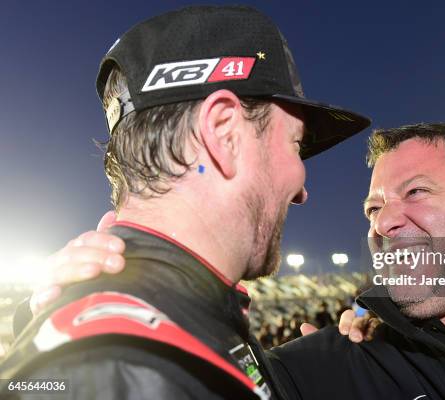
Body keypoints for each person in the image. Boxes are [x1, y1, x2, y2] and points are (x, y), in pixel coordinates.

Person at [28, 123, 445, 399]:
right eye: (373, 206)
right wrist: (63, 335)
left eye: (416, 193)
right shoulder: (315, 375)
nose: (384, 222)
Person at [0, 5, 370, 400]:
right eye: (295, 145)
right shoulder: (123, 364)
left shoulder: (156, 333)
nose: (301, 188)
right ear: (223, 133)